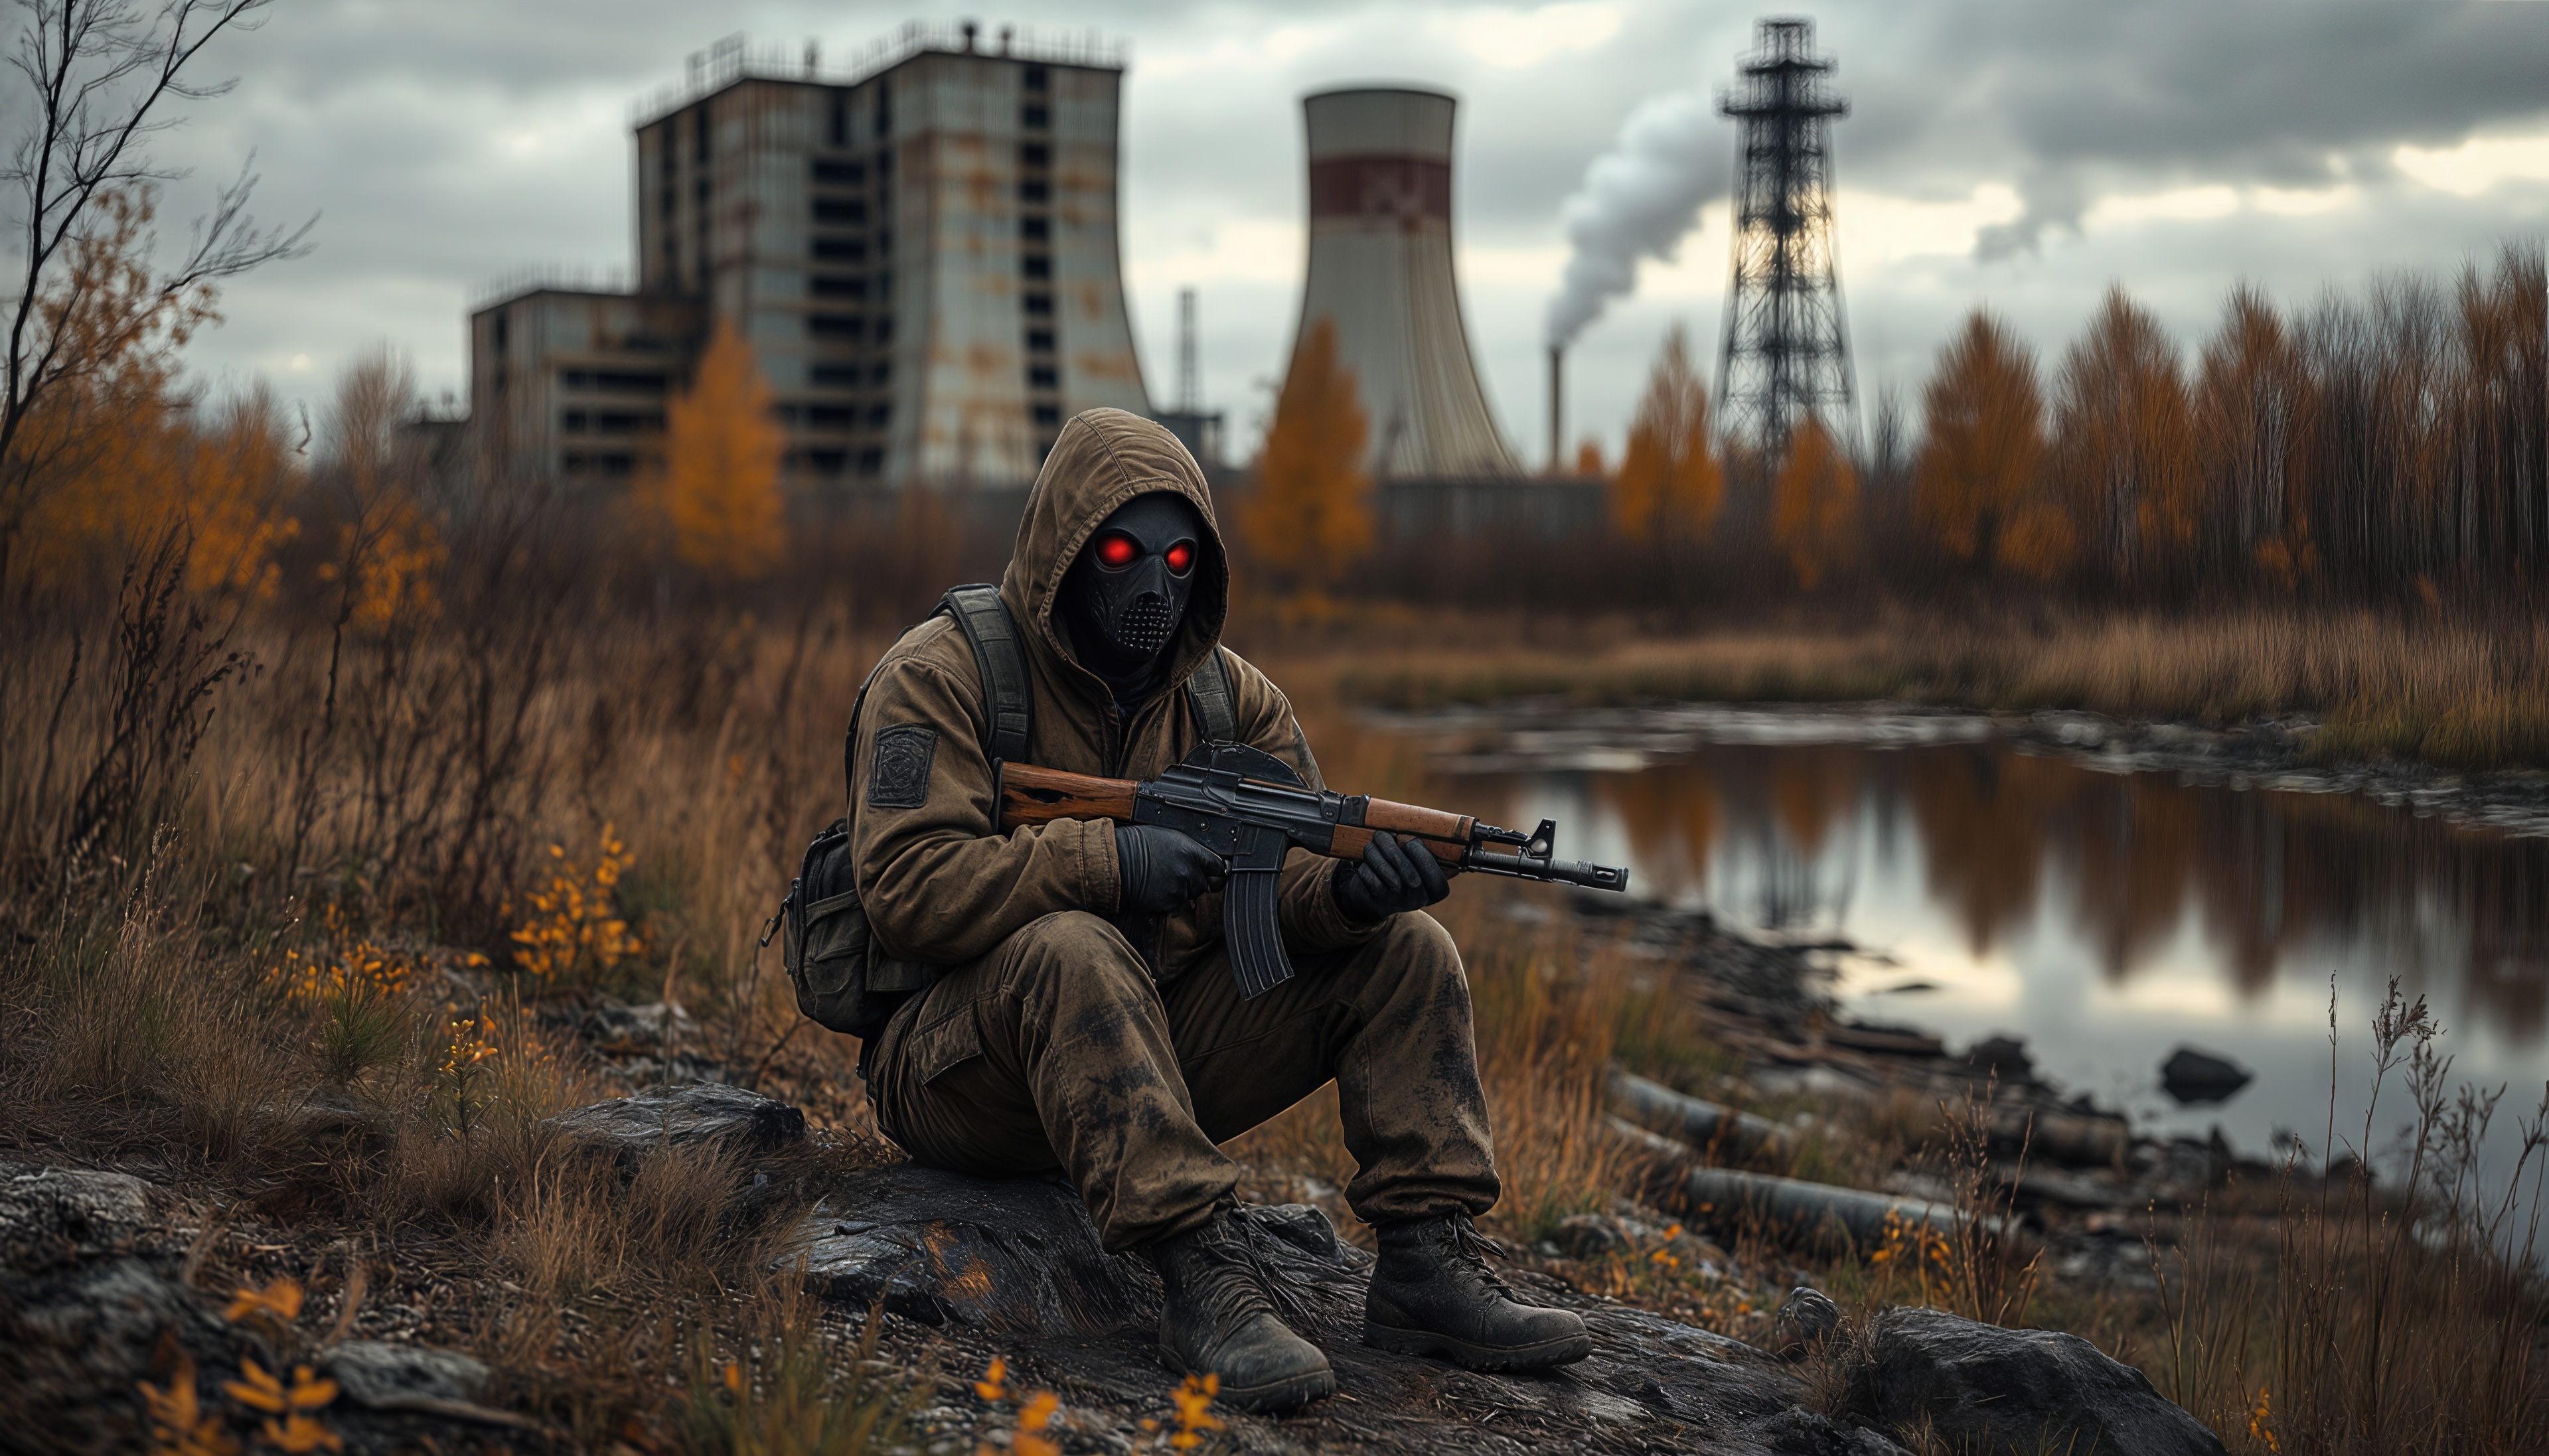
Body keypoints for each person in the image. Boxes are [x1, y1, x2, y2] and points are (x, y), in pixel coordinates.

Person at [850, 409, 1588, 1411]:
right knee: (1075, 946)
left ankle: (1426, 1264)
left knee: (1410, 945)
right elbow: (905, 889)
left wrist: (1347, 897)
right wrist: (1107, 860)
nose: (1155, 582)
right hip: (962, 1072)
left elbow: (1283, 893)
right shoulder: (942, 677)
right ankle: (1201, 1279)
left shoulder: (1231, 702)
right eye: (1120, 551)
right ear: (1065, 549)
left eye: (1181, 555)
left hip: (1142, 1052)